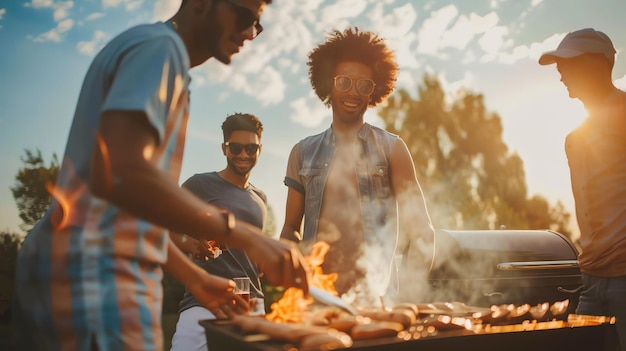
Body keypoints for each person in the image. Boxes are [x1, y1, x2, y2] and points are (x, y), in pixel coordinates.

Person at [12, 1, 310, 350]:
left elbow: (134, 211)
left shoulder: (165, 63)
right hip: (97, 277)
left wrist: (195, 279)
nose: (249, 33)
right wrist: (248, 236)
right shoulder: (160, 49)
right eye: (244, 16)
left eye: (257, 25)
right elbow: (120, 172)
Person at [280, 27, 434, 305]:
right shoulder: (302, 152)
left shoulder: (393, 150)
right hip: (316, 300)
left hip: (377, 301)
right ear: (329, 83)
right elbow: (291, 229)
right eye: (344, 81)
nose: (353, 92)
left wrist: (409, 299)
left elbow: (422, 232)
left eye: (364, 85)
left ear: (374, 92)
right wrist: (291, 269)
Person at [539, 28, 626, 350]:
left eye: (567, 63)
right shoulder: (574, 139)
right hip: (589, 282)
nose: (560, 73)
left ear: (596, 64)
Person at [169, 113, 267, 351]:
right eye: (236, 147)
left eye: (251, 147)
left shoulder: (260, 198)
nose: (243, 154)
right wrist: (192, 244)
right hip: (204, 302)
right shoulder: (199, 184)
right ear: (224, 148)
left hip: (253, 304)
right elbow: (163, 231)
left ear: (259, 149)